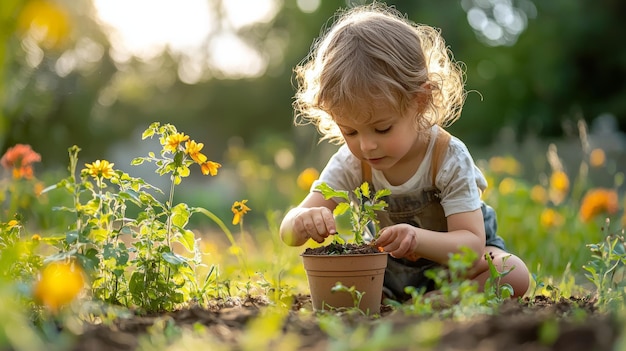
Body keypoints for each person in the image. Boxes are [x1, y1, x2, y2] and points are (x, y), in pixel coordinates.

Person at [279, 2, 530, 301]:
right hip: (389, 270)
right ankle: (406, 302)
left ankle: (438, 301)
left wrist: (417, 238)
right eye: (350, 132)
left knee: (512, 272)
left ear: (420, 101)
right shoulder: (351, 163)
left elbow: (471, 246)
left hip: (455, 268)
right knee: (341, 276)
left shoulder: (448, 157)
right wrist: (303, 219)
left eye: (382, 129)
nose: (367, 145)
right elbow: (288, 233)